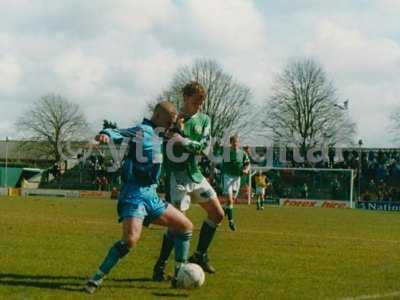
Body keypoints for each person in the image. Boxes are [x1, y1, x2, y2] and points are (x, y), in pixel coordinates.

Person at [84, 101, 193, 294]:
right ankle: (96, 279)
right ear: (158, 117)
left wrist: (181, 123)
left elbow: (179, 133)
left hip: (151, 195)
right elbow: (118, 132)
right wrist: (105, 135)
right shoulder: (142, 130)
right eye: (168, 122)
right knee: (130, 240)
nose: (170, 126)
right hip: (134, 194)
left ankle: (179, 275)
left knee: (185, 226)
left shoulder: (162, 134)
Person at [152, 81, 225, 280]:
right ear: (185, 98)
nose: (199, 106)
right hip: (177, 178)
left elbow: (203, 147)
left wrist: (182, 138)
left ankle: (199, 255)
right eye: (195, 102)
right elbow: (165, 142)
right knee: (178, 225)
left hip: (195, 174)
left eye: (201, 102)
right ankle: (164, 267)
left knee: (218, 214)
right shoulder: (172, 118)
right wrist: (175, 134)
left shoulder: (204, 120)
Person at [221, 135, 250, 231]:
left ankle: (220, 213)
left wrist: (246, 169)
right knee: (229, 200)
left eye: (237, 142)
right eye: (234, 142)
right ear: (231, 143)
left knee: (231, 200)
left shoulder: (242, 153)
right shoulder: (226, 153)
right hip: (227, 177)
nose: (236, 143)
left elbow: (247, 163)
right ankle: (231, 221)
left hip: (237, 178)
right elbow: (224, 164)